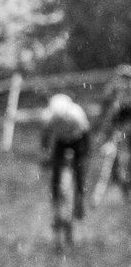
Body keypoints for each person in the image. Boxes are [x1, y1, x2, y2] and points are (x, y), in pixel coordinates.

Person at [40, 93, 91, 225]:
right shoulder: (48, 117)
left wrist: (86, 153)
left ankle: (79, 202)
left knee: (80, 172)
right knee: (56, 172)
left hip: (77, 140)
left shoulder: (77, 114)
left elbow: (86, 134)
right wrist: (45, 153)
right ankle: (56, 201)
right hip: (61, 141)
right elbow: (45, 135)